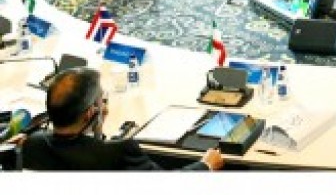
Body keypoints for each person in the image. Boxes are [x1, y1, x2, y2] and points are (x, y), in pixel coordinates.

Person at [19, 67, 223, 171]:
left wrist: (97, 129)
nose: (105, 105)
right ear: (90, 113)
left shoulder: (30, 145)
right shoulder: (119, 153)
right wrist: (205, 166)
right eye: (102, 99)